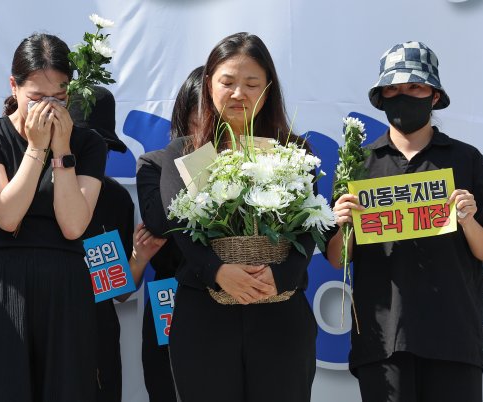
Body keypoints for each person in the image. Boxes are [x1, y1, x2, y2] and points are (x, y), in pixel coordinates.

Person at [326, 41, 483, 402]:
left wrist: (468, 220)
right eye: (392, 88)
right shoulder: (357, 165)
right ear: (380, 97)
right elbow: (336, 259)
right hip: (382, 344)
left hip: (453, 340)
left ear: (435, 96)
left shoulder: (467, 161)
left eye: (414, 87)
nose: (403, 95)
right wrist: (344, 222)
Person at [158, 32, 317, 402]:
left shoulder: (295, 150)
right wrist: (216, 270)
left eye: (251, 84)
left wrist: (281, 275)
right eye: (227, 82)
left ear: (268, 89)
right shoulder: (184, 152)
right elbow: (179, 227)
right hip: (205, 312)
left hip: (279, 307)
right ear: (208, 82)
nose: (238, 93)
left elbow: (312, 224)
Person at [0, 33, 107, 402]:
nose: (49, 108)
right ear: (14, 85)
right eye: (37, 98)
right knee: (1, 386)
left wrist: (62, 151)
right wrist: (37, 146)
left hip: (67, 284)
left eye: (59, 98)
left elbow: (74, 225)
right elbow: (7, 215)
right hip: (4, 280)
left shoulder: (87, 143)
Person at [70, 86, 166, 402]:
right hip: (42, 329)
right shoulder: (34, 189)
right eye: (80, 142)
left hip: (96, 340)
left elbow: (115, 290)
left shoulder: (113, 198)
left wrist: (139, 257)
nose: (93, 154)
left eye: (100, 146)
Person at [135, 65, 203, 402]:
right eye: (200, 112)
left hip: (228, 295)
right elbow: (161, 223)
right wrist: (198, 159)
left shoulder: (247, 162)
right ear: (185, 113)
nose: (207, 122)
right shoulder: (155, 163)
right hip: (169, 294)